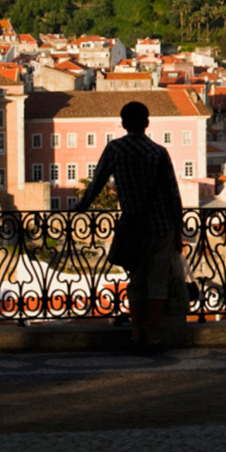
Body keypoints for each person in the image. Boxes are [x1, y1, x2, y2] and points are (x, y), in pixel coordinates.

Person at [74, 100, 183, 353]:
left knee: (136, 283)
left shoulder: (115, 150)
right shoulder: (159, 152)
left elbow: (97, 182)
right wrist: (178, 231)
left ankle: (136, 335)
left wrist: (81, 208)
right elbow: (173, 195)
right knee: (157, 284)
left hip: (132, 226)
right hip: (161, 226)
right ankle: (153, 338)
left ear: (123, 124)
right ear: (147, 123)